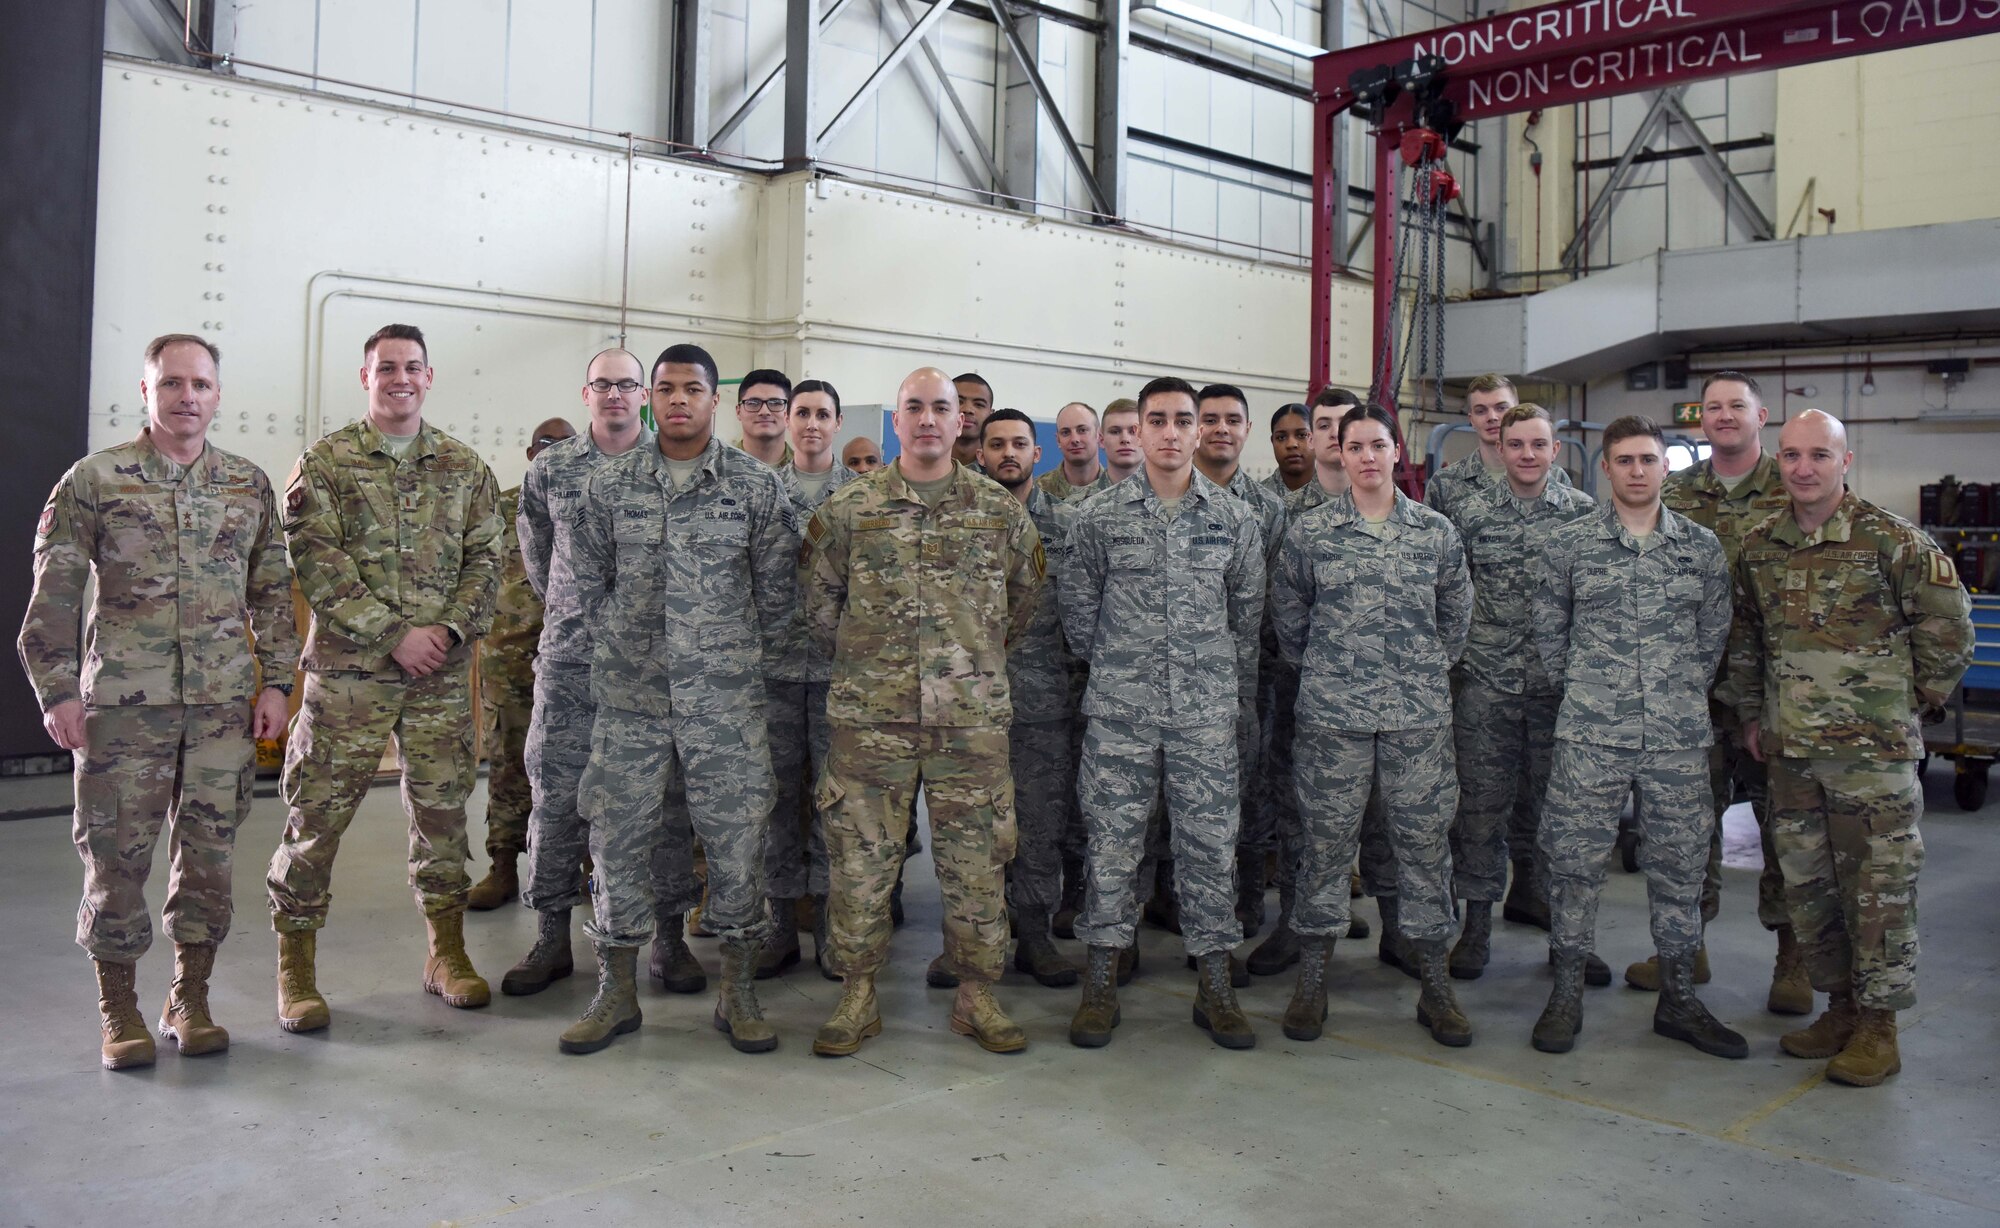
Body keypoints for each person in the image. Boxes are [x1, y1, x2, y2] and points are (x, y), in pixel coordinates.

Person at [19, 333, 298, 1068]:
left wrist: (276, 681)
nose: (186, 397)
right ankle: (119, 1009)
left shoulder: (247, 484)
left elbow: (272, 591)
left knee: (208, 858)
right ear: (145, 392)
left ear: (217, 395)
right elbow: (53, 597)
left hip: (221, 711)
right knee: (116, 861)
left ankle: (190, 997)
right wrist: (56, 691)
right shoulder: (96, 479)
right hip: (123, 708)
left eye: (200, 384)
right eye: (171, 384)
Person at [1720, 408, 1973, 1086]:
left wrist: (1905, 702)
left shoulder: (1890, 541)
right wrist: (1751, 712)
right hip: (1792, 756)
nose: (1804, 468)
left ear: (1845, 461)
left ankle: (1880, 1028)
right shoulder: (1761, 545)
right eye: (1793, 456)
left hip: (1874, 761)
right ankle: (1839, 1009)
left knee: (1879, 891)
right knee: (1812, 890)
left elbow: (1949, 629)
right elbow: (1746, 638)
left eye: (1819, 456)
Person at [558, 343, 796, 1056]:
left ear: (715, 399)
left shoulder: (755, 488)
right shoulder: (606, 487)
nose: (679, 401)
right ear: (649, 398)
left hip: (724, 706)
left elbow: (779, 600)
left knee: (735, 846)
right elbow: (582, 589)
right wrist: (627, 658)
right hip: (631, 703)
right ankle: (616, 992)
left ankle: (739, 991)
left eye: (693, 389)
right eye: (666, 389)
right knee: (618, 843)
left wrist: (731, 667)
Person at [801, 367, 1044, 1057]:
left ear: (960, 421)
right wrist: (876, 665)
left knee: (977, 862)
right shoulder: (851, 510)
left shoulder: (999, 512)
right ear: (896, 421)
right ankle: (856, 993)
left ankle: (977, 995)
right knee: (860, 862)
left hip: (969, 722)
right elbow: (821, 608)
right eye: (916, 407)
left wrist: (968, 666)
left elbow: (1021, 603)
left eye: (943, 407)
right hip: (870, 721)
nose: (931, 419)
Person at [267, 324, 502, 1032]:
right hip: (348, 677)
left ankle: (446, 954)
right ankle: (296, 970)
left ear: (430, 378)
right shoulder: (328, 463)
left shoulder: (464, 467)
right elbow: (317, 564)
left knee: (442, 816)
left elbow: (487, 562)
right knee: (317, 819)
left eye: (412, 367)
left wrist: (450, 630)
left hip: (438, 678)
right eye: (385, 368)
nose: (400, 378)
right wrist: (394, 634)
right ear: (364, 378)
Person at [1529, 415, 1745, 1059]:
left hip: (1677, 736)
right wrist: (1596, 691)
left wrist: (1675, 694)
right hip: (1591, 733)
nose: (1637, 470)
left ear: (1665, 466)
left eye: (1648, 459)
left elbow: (1713, 640)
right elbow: (1550, 637)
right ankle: (1566, 990)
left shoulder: (1700, 549)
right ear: (1606, 468)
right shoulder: (1570, 545)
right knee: (1572, 865)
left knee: (1680, 867)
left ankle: (1678, 997)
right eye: (1624, 460)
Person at [1061, 377, 1265, 1049]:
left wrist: (1226, 701)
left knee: (1210, 849)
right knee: (1112, 847)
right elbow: (1079, 615)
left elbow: (1246, 621)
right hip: (1122, 712)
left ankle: (1215, 985)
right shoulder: (1100, 516)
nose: (1173, 432)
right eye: (1160, 420)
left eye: (1185, 420)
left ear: (1199, 431)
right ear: (1139, 432)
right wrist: (1123, 669)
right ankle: (1099, 982)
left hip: (1205, 716)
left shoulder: (1234, 519)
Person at [1271, 403, 1473, 1048]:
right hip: (1334, 721)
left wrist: (1415, 674)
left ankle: (1435, 987)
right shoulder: (1310, 533)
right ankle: (1312, 982)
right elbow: (1290, 619)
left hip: (1416, 723)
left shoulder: (1435, 533)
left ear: (1395, 453)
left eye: (1377, 445)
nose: (1365, 456)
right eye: (1353, 445)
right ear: (1341, 452)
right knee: (1324, 848)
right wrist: (1335, 674)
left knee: (1423, 849)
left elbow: (1455, 619)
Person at [502, 351, 685, 998]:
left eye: (627, 384)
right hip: (571, 664)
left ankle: (669, 937)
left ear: (644, 394)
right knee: (555, 800)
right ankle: (551, 935)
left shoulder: (673, 468)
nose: (615, 394)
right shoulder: (551, 470)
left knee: (663, 807)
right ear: (586, 393)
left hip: (650, 671)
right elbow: (538, 561)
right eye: (603, 384)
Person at [1624, 371, 1799, 1007]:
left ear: (1762, 414)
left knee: (1786, 829)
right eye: (1714, 407)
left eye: (1737, 407)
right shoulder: (1675, 490)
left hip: (1774, 691)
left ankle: (1794, 960)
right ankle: (1682, 948)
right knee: (1684, 827)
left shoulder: (1795, 485)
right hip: (1688, 691)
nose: (1724, 416)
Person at [1445, 405, 1596, 982]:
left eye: (1538, 444)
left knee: (1562, 817)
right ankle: (1476, 928)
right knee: (1480, 814)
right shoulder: (1469, 514)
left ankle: (1567, 938)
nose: (1527, 455)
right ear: (1500, 449)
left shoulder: (1584, 517)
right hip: (1487, 688)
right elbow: (1450, 595)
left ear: (1555, 450)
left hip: (1561, 694)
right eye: (1516, 444)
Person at [1251, 386, 1370, 977]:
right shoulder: (1279, 515)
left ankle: (1398, 926)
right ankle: (1296, 923)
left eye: (1341, 425)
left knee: (1387, 819)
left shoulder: (1399, 511)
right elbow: (1273, 609)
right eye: (1319, 425)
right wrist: (1308, 670)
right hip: (1301, 692)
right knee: (1297, 813)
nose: (1328, 435)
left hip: (1386, 701)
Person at [760, 378, 861, 979]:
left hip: (838, 672)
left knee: (835, 799)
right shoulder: (757, 492)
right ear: (787, 420)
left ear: (839, 422)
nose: (811, 424)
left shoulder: (863, 497)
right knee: (774, 799)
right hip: (770, 668)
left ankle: (827, 918)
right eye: (801, 413)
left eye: (823, 413)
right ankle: (778, 921)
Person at [979, 409, 1081, 988]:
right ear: (981, 454)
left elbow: (1087, 612)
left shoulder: (1068, 523)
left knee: (1041, 824)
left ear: (1037, 454)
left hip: (1044, 703)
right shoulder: (957, 524)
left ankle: (1036, 936)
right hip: (967, 707)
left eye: (1020, 443)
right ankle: (969, 940)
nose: (1008, 453)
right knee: (970, 830)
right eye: (997, 444)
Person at [1193, 382, 1288, 940]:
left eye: (1233, 419)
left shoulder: (1268, 510)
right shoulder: (1167, 500)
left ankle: (1247, 897)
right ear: (1193, 427)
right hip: (1183, 685)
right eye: (1211, 419)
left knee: (1252, 792)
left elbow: (1277, 601)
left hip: (1254, 679)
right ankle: (1174, 896)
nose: (1221, 429)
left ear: (1247, 430)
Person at [468, 417, 574, 912]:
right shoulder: (500, 506)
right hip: (509, 661)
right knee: (510, 764)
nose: (555, 453)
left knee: (581, 765)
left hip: (576, 658)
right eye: (547, 445)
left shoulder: (594, 500)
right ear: (531, 453)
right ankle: (504, 865)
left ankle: (584, 869)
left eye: (567, 445)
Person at [1423, 373, 1570, 527]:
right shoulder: (1446, 482)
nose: (1492, 417)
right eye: (1481, 411)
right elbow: (1431, 541)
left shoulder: (1555, 476)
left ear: (1517, 410)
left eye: (1501, 408)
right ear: (1471, 419)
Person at [1037, 402, 1108, 501]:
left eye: (1082, 430)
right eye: (1066, 432)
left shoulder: (1120, 490)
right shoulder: (1036, 492)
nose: (1075, 439)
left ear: (1099, 435)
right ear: (1058, 440)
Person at [734, 368, 793, 468]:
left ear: (789, 412)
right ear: (738, 411)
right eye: (753, 403)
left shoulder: (808, 469)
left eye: (776, 403)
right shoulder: (715, 469)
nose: (764, 412)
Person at [1265, 403, 1312, 493]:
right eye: (1281, 437)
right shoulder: (1254, 498)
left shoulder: (1338, 494)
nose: (1291, 444)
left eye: (1302, 435)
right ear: (1273, 441)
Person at [952, 372, 995, 469]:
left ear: (990, 415)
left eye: (979, 404)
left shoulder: (998, 470)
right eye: (959, 402)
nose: (967, 409)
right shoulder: (923, 463)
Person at [1098, 398, 1143, 486]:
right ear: (1101, 440)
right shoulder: (1081, 500)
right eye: (1115, 432)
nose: (1125, 439)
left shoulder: (1172, 496)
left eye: (1134, 431)